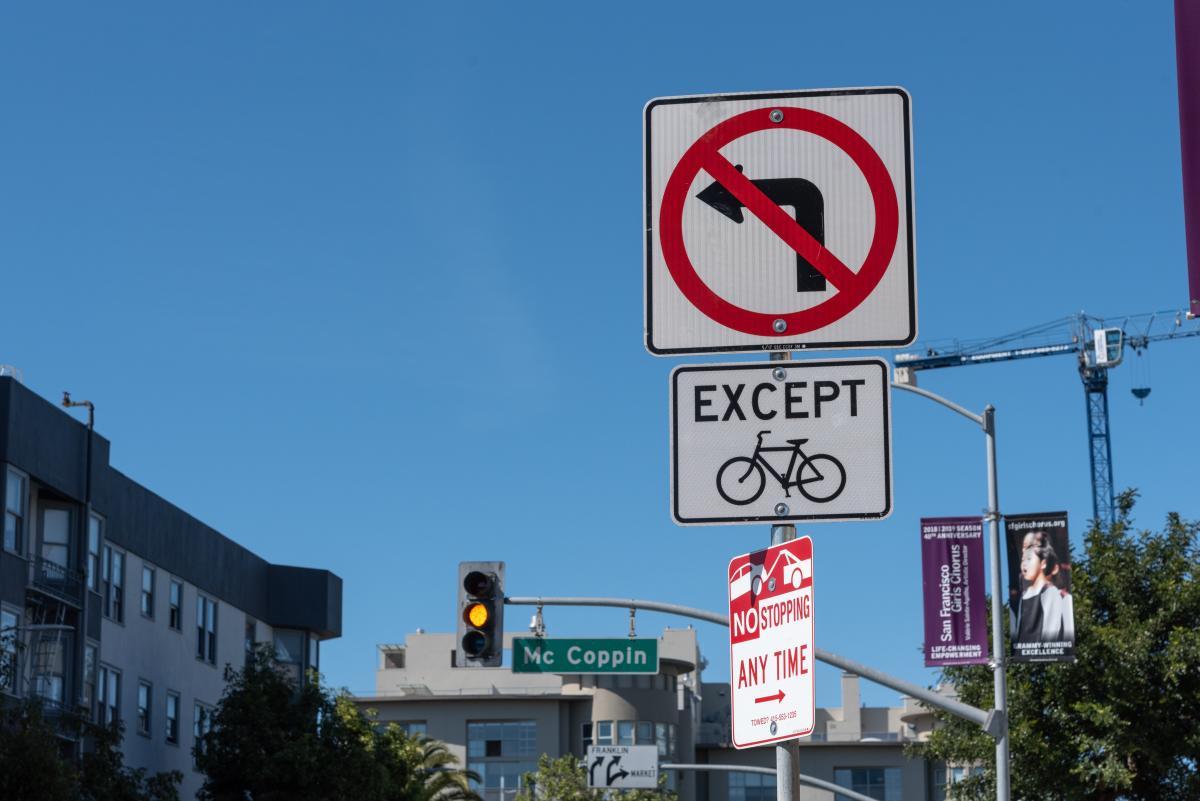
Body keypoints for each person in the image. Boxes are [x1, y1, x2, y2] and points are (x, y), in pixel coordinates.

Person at [1009, 533, 1074, 646]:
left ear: (1043, 564)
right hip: (1024, 654)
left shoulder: (1051, 593)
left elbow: (1052, 630)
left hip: (1043, 652)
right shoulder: (1023, 597)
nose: (1024, 565)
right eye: (1023, 560)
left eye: (1029, 559)